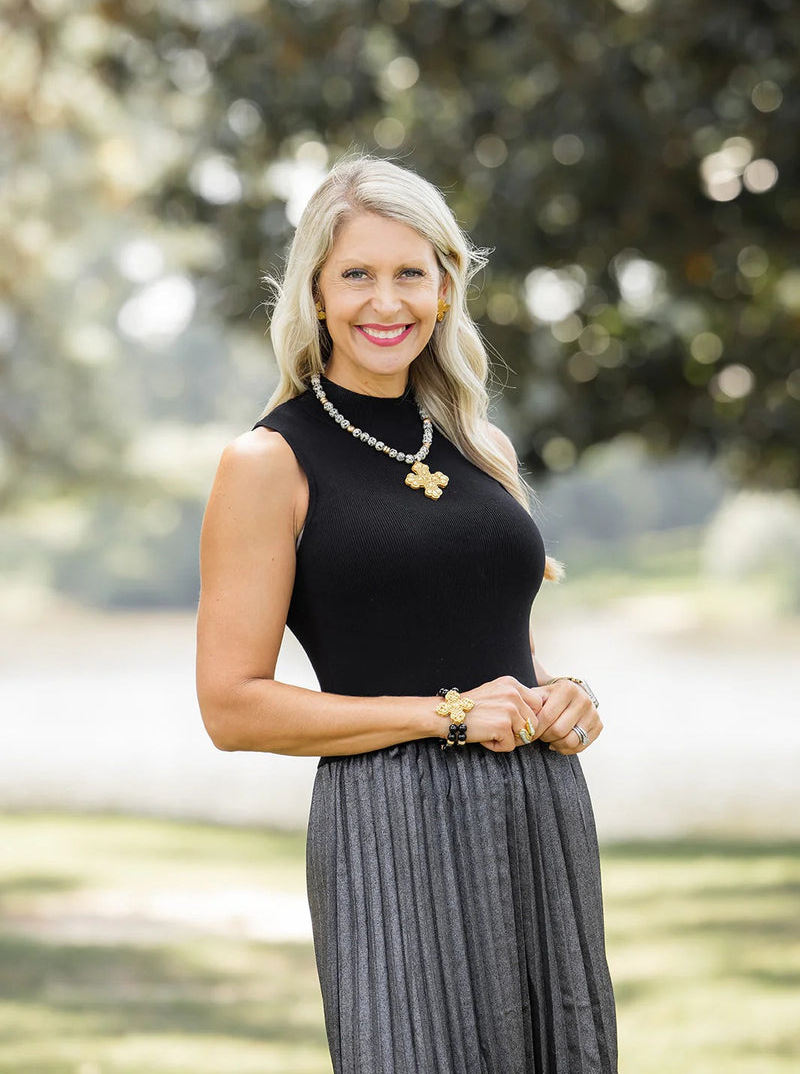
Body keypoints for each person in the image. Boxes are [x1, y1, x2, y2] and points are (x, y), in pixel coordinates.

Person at [196, 154, 617, 1073]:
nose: (385, 303)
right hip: (394, 826)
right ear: (315, 291)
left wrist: (564, 698)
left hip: (539, 811)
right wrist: (448, 715)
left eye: (409, 274)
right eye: (357, 274)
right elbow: (231, 707)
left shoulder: (481, 445)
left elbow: (508, 653)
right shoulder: (268, 463)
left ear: (444, 286)